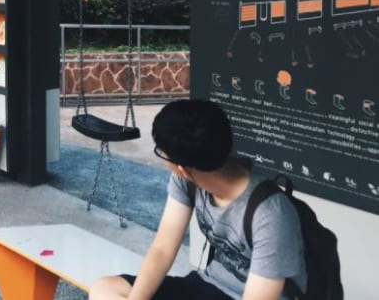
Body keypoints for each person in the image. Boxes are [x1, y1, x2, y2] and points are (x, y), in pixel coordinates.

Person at [90, 99, 306, 300]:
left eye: (161, 152)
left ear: (182, 168)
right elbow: (162, 250)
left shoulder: (271, 215)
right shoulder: (186, 181)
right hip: (207, 285)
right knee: (105, 289)